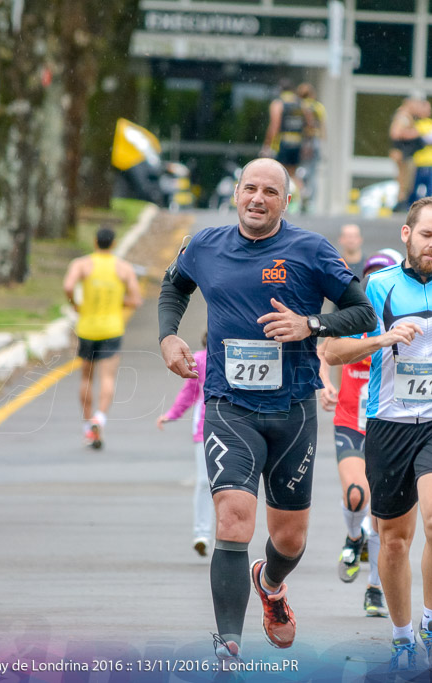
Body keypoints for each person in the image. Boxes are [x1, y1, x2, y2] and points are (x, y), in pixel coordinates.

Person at [157, 158, 376, 663]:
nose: (258, 198)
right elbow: (175, 287)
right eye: (250, 188)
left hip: (293, 410)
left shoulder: (310, 250)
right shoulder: (204, 244)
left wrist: (310, 325)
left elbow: (363, 312)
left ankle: (270, 583)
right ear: (236, 193)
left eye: (270, 192)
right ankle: (228, 645)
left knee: (290, 539)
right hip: (229, 405)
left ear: (285, 200)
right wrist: (168, 336)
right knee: (233, 520)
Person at [321, 197, 432, 673]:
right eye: (426, 235)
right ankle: (401, 637)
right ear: (406, 234)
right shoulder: (375, 288)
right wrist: (381, 339)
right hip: (388, 424)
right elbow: (333, 348)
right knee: (394, 540)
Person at [317, 249, 403, 618]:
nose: (374, 283)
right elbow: (324, 352)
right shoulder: (354, 318)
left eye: (383, 275)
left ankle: (374, 589)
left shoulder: (406, 322)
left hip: (391, 425)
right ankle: (354, 538)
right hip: (350, 420)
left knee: (384, 517)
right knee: (356, 497)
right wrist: (323, 385)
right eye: (370, 276)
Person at [63, 227, 142, 449]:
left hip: (87, 328)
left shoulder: (82, 264)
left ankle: (88, 427)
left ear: (95, 242)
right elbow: (136, 299)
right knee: (108, 378)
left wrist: (76, 304)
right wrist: (119, 302)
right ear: (114, 244)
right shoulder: (123, 268)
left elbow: (68, 286)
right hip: (112, 329)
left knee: (87, 378)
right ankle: (100, 418)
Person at [157, 332, 213, 557]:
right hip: (203, 429)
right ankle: (202, 534)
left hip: (236, 428)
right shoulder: (199, 360)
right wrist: (171, 414)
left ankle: (230, 535)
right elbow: (189, 393)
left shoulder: (239, 358)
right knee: (203, 482)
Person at [261, 80, 307, 208]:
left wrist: (267, 144)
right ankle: (303, 196)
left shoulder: (278, 103)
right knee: (292, 173)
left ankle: (279, 203)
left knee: (278, 173)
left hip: (283, 142)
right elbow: (307, 123)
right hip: (297, 142)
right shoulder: (299, 103)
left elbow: (274, 125)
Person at [297, 83, 326, 214]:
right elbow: (323, 127)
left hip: (303, 141)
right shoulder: (318, 107)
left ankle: (301, 199)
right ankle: (311, 203)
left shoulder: (300, 106)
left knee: (299, 172)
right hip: (315, 141)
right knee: (313, 173)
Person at [389, 99, 422, 211]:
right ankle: (400, 204)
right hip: (402, 153)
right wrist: (414, 133)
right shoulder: (403, 116)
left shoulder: (406, 116)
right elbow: (395, 133)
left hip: (405, 153)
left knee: (405, 180)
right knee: (404, 180)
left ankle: (401, 203)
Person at [410, 99, 432, 203]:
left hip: (429, 161)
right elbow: (420, 137)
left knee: (430, 187)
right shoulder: (415, 123)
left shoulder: (430, 123)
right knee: (415, 187)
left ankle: (426, 205)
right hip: (420, 160)